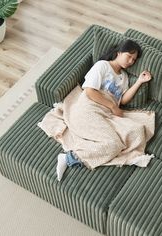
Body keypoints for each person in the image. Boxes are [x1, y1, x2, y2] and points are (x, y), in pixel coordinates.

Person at [56, 39, 153, 181]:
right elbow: (89, 91)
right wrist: (113, 106)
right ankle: (69, 157)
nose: (131, 61)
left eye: (134, 59)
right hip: (90, 107)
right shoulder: (103, 66)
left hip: (106, 114)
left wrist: (139, 81)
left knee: (138, 131)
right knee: (113, 144)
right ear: (119, 52)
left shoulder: (124, 78)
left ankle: (126, 155)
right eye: (129, 56)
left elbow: (123, 100)